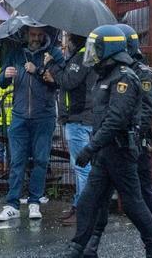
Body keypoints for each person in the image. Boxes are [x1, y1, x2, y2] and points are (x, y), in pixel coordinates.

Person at [64, 25, 152, 258]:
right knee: (88, 202)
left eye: (96, 49)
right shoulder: (105, 76)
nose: (92, 54)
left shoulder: (124, 78)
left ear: (109, 49)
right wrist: (95, 148)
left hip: (120, 152)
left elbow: (116, 120)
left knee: (133, 205)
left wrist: (90, 147)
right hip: (104, 153)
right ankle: (78, 248)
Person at [82, 24, 152, 258]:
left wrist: (131, 136)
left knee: (142, 195)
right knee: (100, 197)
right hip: (109, 146)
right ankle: (90, 244)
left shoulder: (140, 73)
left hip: (133, 145)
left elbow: (146, 112)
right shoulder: (110, 72)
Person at [0, 26, 64, 221]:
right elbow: (1, 82)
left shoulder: (54, 53)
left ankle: (35, 202)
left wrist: (39, 70)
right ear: (25, 34)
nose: (36, 38)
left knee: (41, 160)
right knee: (17, 161)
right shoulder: (15, 53)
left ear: (45, 34)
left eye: (39, 35)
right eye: (32, 34)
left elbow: (60, 81)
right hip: (19, 115)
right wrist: (5, 75)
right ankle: (12, 204)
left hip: (44, 116)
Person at [43, 33, 94, 227]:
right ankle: (79, 205)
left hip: (78, 117)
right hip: (81, 116)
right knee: (83, 166)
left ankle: (83, 209)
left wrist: (51, 64)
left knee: (81, 167)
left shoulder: (81, 56)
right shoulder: (84, 54)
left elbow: (69, 80)